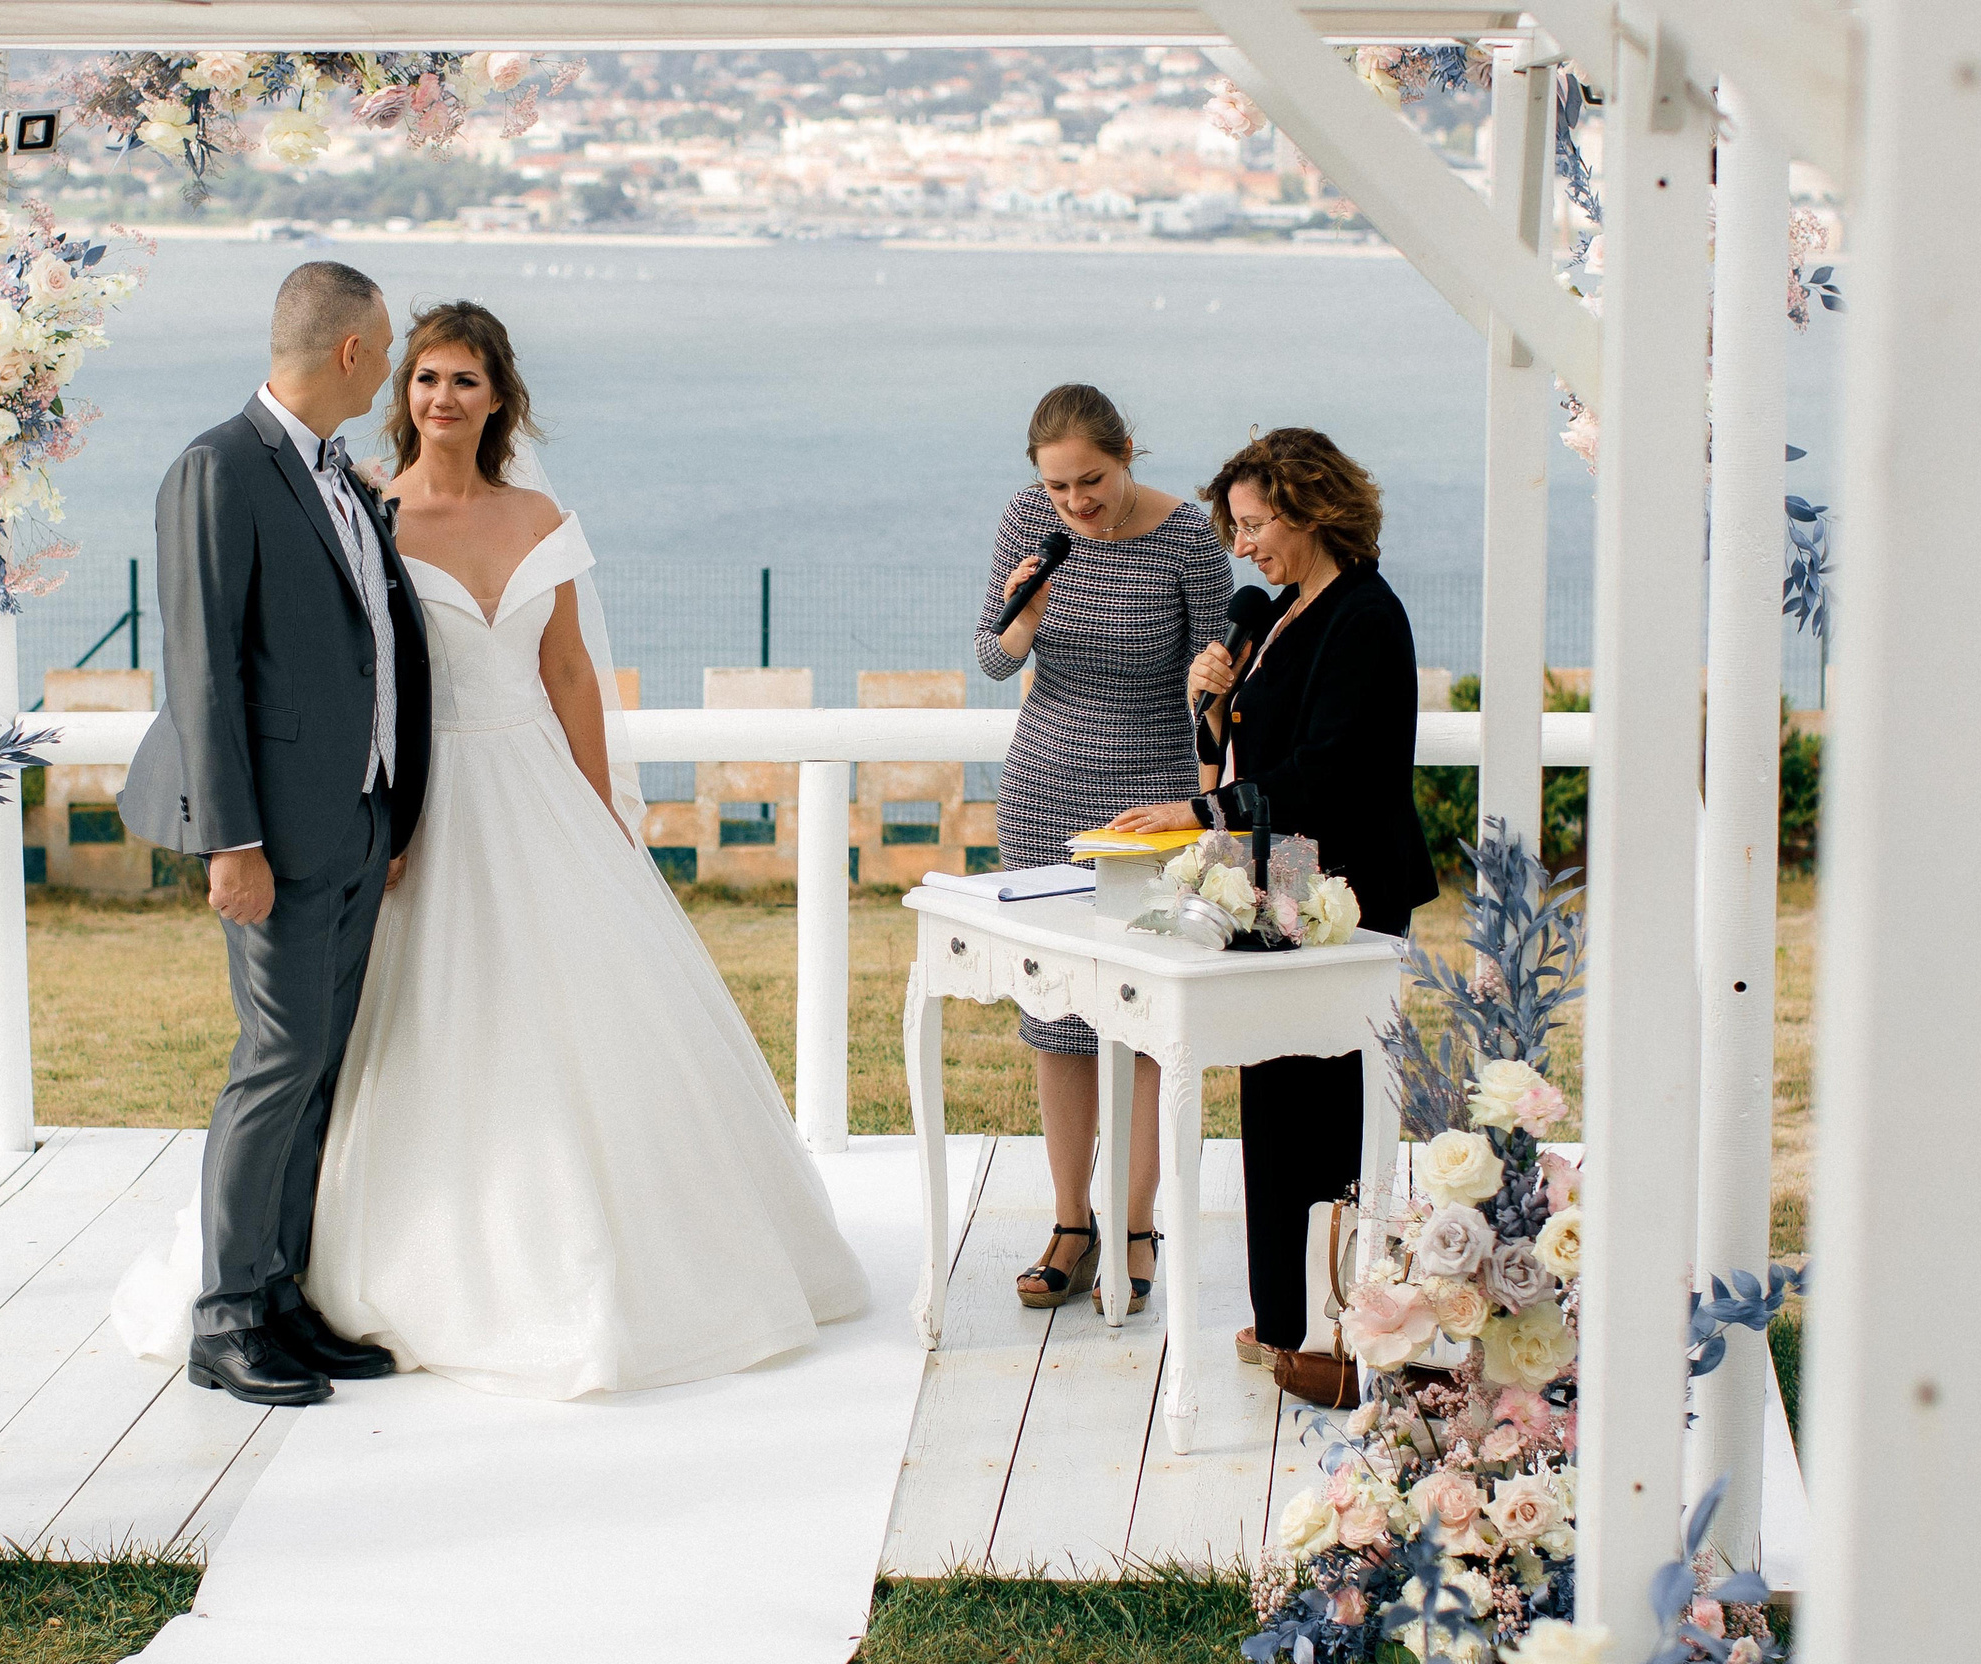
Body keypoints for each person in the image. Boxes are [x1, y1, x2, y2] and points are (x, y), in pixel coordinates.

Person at [115, 300, 867, 1400]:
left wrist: (603, 810)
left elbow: (567, 671)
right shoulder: (362, 504)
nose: (439, 396)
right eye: (423, 375)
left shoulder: (519, 514)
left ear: (499, 396)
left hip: (525, 790)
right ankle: (253, 1296)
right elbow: (309, 668)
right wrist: (334, 819)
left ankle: (299, 1291)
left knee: (514, 1030)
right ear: (392, 380)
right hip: (406, 807)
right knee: (319, 1050)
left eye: (464, 379)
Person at [118, 261, 430, 1408]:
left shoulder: (340, 476)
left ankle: (281, 1294)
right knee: (277, 1059)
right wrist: (231, 842)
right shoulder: (220, 467)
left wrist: (393, 806)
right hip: (273, 837)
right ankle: (226, 1316)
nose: (389, 370)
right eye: (384, 349)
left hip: (358, 816)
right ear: (349, 351)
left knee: (321, 1062)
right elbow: (201, 668)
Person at [1104, 426, 1435, 1363]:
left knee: (1324, 1110)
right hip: (1283, 876)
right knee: (1274, 1102)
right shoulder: (1283, 610)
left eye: (1254, 525)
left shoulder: (1365, 616)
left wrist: (1196, 809)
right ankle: (1284, 1320)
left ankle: (1336, 1329)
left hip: (1348, 890)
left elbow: (1327, 774)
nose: (1242, 547)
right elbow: (1243, 758)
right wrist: (1211, 709)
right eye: (1237, 528)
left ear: (1311, 510)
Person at [975, 384, 1231, 1316]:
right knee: (1055, 1015)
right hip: (1043, 791)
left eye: (1091, 480)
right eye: (1058, 486)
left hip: (1148, 812)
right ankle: (1070, 1222)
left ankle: (1135, 1224)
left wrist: (1204, 792)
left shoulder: (1189, 537)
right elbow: (993, 658)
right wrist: (1028, 612)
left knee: (1148, 1018)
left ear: (1127, 453)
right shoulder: (1027, 520)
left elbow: (1220, 684)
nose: (1075, 501)